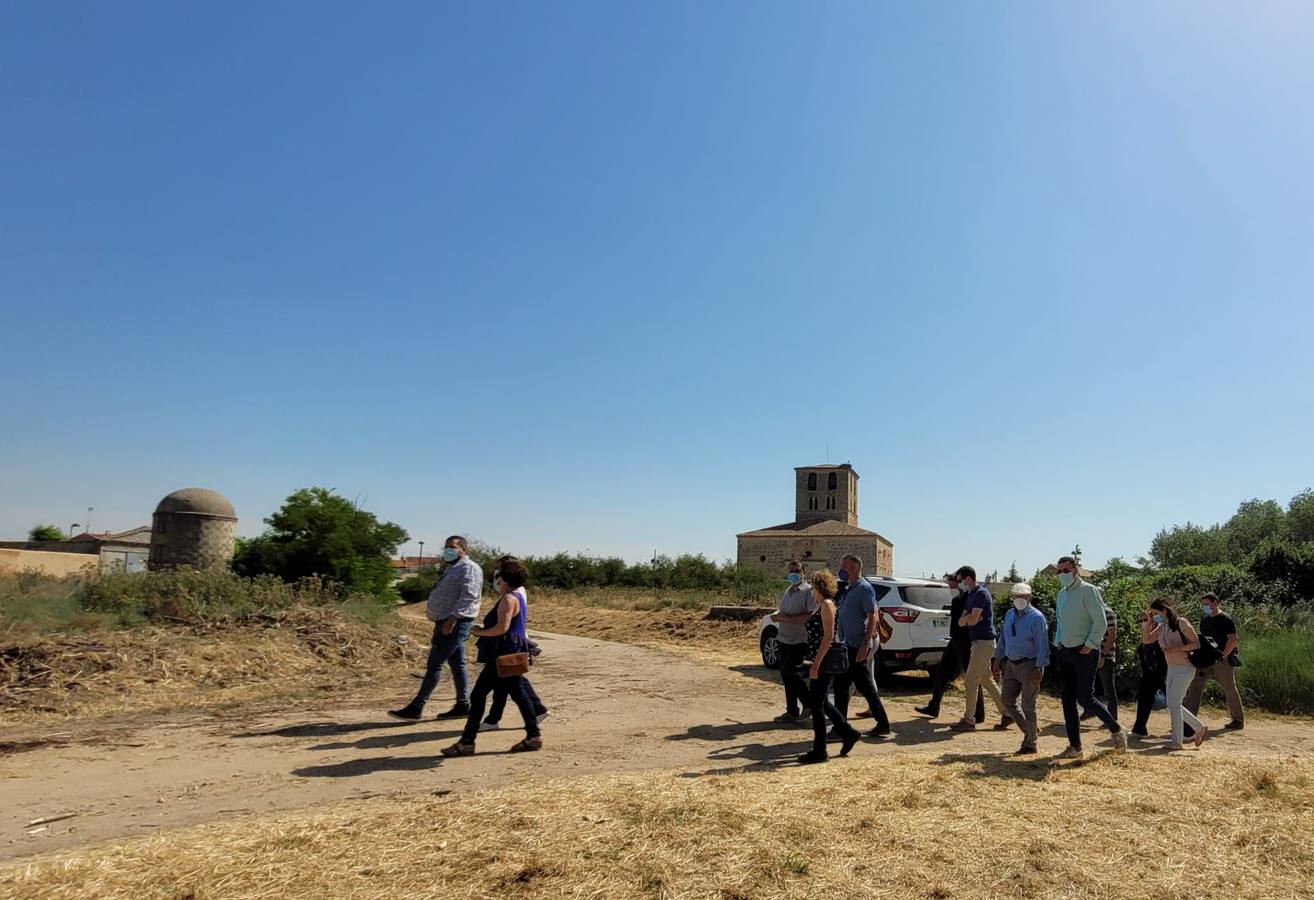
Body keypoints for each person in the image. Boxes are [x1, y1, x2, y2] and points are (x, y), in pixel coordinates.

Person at [442, 558, 543, 756]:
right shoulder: (517, 596)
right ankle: (533, 735)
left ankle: (467, 741)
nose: (496, 580)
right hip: (510, 653)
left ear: (504, 579)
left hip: (502, 655)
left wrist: (478, 632)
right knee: (519, 695)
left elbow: (501, 628)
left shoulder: (508, 599)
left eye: (498, 576)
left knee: (479, 695)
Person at [389, 535, 481, 721]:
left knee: (435, 663)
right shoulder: (453, 568)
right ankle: (463, 704)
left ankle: (416, 707)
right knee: (457, 664)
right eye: (446, 547)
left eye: (452, 547)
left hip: (454, 622)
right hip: (445, 621)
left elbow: (469, 596)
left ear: (463, 549)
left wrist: (453, 619)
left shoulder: (469, 568)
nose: (448, 550)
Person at [1053, 555, 1126, 759]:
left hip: (1085, 652)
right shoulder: (1062, 594)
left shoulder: (1089, 591)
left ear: (1076, 570)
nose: (1062, 575)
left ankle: (1116, 728)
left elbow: (1100, 623)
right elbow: (1060, 620)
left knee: (1085, 697)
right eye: (1059, 571)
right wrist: (1058, 643)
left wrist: (1089, 645)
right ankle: (1075, 747)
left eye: (1066, 570)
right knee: (1067, 699)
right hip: (1065, 651)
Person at [478, 555, 549, 732]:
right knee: (508, 683)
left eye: (499, 571)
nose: (497, 576)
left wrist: (479, 631)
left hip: (508, 644)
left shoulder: (512, 595)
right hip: (511, 643)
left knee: (511, 684)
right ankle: (495, 719)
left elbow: (504, 625)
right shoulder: (512, 593)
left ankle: (533, 718)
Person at [798, 570, 862, 764]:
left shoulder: (826, 604)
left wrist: (816, 663)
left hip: (825, 660)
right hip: (819, 658)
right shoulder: (821, 605)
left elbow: (827, 636)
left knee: (817, 704)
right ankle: (847, 732)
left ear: (818, 586)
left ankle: (820, 749)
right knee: (822, 702)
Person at [830, 555, 891, 737]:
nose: (841, 569)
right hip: (847, 644)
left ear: (855, 568)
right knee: (851, 686)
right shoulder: (849, 589)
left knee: (854, 686)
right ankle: (880, 724)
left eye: (845, 566)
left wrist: (865, 643)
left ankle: (843, 728)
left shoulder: (864, 588)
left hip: (857, 645)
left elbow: (873, 615)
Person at [916, 572, 985, 723]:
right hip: (955, 641)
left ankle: (978, 714)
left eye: (952, 583)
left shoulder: (968, 597)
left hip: (965, 642)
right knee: (941, 672)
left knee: (972, 677)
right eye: (949, 583)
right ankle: (934, 706)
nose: (949, 586)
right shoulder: (957, 598)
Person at [991, 582, 1050, 755]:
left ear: (1029, 597)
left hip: (1030, 665)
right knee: (1007, 699)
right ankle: (1030, 731)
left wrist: (1039, 668)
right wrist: (996, 659)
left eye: (1023, 596)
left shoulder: (1037, 618)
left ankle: (1031, 743)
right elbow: (1003, 639)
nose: (1019, 599)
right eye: (1016, 596)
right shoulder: (1010, 614)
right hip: (1011, 664)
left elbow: (1043, 645)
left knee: (1028, 705)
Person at [950, 566, 1009, 732]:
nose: (959, 584)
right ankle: (1007, 712)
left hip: (984, 642)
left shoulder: (981, 594)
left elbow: (972, 620)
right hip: (979, 642)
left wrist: (968, 618)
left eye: (960, 580)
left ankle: (969, 720)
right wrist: (969, 618)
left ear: (968, 578)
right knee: (986, 679)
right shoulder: (971, 595)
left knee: (970, 681)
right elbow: (962, 621)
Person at [1147, 599, 1207, 750]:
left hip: (1185, 667)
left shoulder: (1181, 623)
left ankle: (1177, 741)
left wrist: (1178, 649)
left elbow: (1196, 643)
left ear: (1164, 611)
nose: (1154, 616)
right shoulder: (1161, 627)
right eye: (1152, 614)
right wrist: (1149, 622)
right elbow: (1146, 639)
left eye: (1156, 613)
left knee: (1173, 704)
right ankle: (1198, 728)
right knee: (1173, 704)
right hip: (1172, 668)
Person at [1184, 592, 1245, 731]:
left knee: (1229, 689)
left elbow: (1233, 639)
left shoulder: (1225, 619)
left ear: (1216, 603)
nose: (1204, 607)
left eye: (1207, 604)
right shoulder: (1205, 620)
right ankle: (1189, 720)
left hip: (1222, 661)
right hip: (1206, 660)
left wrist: (1224, 655)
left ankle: (1238, 720)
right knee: (1195, 687)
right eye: (1203, 604)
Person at [769, 559, 818, 724]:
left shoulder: (808, 591)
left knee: (793, 673)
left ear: (803, 572)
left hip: (799, 640)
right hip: (784, 638)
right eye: (791, 571)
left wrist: (788, 619)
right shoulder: (788, 590)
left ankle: (809, 703)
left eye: (797, 571)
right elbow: (784, 611)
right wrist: (778, 616)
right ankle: (791, 711)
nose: (794, 574)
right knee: (786, 675)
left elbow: (810, 616)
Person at [1129, 609, 1167, 738]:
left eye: (1146, 620)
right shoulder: (1146, 635)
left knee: (1175, 702)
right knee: (1144, 699)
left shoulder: (1159, 633)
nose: (1143, 623)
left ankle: (1189, 729)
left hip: (1163, 673)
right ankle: (1139, 728)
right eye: (1142, 620)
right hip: (1149, 674)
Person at [1083, 602, 1118, 721]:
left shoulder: (1108, 612)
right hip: (1092, 654)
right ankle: (1089, 711)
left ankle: (1112, 718)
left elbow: (1112, 636)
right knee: (1086, 686)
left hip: (1105, 656)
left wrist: (1103, 655)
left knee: (1108, 689)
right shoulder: (1093, 612)